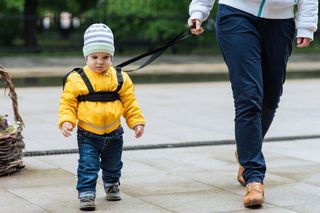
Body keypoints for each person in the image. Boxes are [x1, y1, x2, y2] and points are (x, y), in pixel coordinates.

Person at [188, 0, 318, 207]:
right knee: (249, 98)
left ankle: (246, 150)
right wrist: (199, 11)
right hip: (237, 14)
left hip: (281, 22)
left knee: (271, 98)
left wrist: (307, 24)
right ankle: (254, 178)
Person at [58, 23, 145, 211]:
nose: (100, 61)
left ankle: (112, 183)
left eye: (105, 57)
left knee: (113, 164)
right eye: (94, 57)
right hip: (88, 134)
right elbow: (68, 103)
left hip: (114, 133)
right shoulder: (76, 78)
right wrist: (66, 120)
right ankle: (87, 192)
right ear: (86, 56)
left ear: (112, 57)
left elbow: (130, 103)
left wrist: (136, 122)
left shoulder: (120, 78)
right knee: (87, 165)